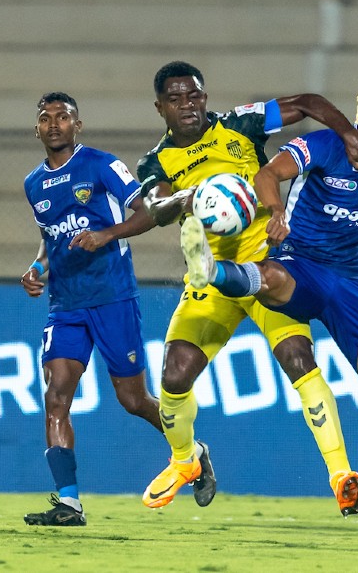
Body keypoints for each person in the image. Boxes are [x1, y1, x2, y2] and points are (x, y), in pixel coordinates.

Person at [183, 64, 358, 542]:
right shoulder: (326, 144)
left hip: (351, 282)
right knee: (269, 277)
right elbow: (272, 172)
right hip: (301, 259)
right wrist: (273, 213)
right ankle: (210, 270)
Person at [137, 61, 358, 514]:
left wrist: (348, 133)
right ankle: (187, 460)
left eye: (194, 96)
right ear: (160, 108)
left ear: (205, 98)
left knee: (298, 359)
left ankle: (342, 476)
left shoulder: (240, 125)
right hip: (212, 273)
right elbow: (156, 208)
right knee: (174, 376)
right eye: (176, 99)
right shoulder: (155, 161)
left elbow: (308, 104)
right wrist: (187, 198)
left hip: (270, 266)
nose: (187, 105)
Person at [19, 92, 215, 525]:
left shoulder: (102, 165)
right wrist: (37, 266)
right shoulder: (33, 183)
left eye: (63, 117)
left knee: (132, 399)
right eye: (46, 118)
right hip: (65, 305)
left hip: (112, 298)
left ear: (77, 125)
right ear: (37, 129)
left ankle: (192, 450)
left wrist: (106, 235)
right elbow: (50, 238)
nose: (54, 124)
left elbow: (148, 213)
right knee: (56, 398)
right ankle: (69, 503)